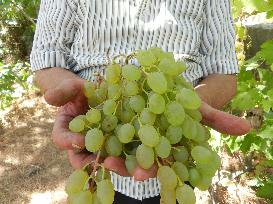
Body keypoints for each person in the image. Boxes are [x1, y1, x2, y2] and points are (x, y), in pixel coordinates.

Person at [30, 0, 251, 203]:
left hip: (175, 153)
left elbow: (223, 73)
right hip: (100, 147)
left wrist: (185, 108)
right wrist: (72, 89)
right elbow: (47, 57)